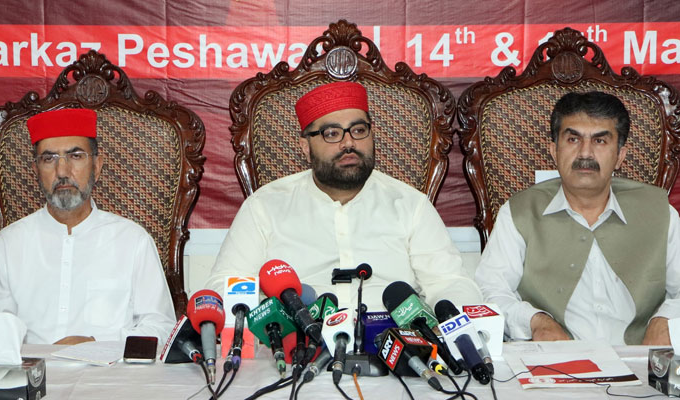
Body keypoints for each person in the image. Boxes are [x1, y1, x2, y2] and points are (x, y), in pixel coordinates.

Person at [207, 81, 481, 311]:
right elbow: (226, 285)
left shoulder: (410, 205)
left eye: (359, 130)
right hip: (296, 351)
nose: (348, 143)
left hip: (394, 353)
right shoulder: (265, 207)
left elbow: (449, 283)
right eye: (332, 133)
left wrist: (456, 323)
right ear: (305, 146)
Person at [475, 91, 680, 345]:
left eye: (600, 141)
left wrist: (665, 321)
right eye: (573, 139)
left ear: (620, 155)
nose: (585, 154)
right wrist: (535, 321)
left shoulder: (659, 213)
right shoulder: (520, 212)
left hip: (642, 365)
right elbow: (489, 291)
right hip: (554, 364)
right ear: (554, 150)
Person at [0, 108, 176, 344]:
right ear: (36, 171)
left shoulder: (133, 241)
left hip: (109, 376)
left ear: (97, 165)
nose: (62, 172)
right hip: (32, 377)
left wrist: (98, 345)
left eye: (75, 156)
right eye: (49, 158)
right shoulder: (5, 247)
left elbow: (162, 329)